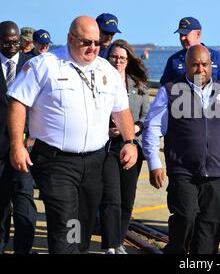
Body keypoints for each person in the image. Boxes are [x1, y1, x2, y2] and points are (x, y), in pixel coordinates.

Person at [7, 16, 138, 254]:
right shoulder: (45, 65)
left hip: (95, 162)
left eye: (97, 43)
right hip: (56, 162)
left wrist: (130, 141)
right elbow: (18, 103)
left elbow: (121, 109)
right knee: (64, 223)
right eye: (87, 42)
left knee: (83, 226)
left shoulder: (106, 70)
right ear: (70, 38)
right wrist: (17, 144)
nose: (94, 48)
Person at [142, 44, 220, 254]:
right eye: (195, 65)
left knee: (210, 225)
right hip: (183, 171)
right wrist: (154, 164)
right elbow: (152, 129)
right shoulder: (170, 91)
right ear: (186, 66)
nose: (200, 69)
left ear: (212, 66)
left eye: (205, 64)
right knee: (186, 217)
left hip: (215, 172)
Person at [100, 39, 150, 254]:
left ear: (128, 60)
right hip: (106, 145)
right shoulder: (98, 80)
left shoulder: (138, 85)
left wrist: (131, 130)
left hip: (132, 145)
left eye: (122, 57)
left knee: (127, 197)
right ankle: (110, 244)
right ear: (108, 58)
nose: (118, 60)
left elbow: (146, 117)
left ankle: (119, 241)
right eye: (114, 57)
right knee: (111, 196)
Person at [0, 21, 36, 254]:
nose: (12, 46)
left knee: (24, 203)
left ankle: (24, 249)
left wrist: (31, 138)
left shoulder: (31, 66)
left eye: (16, 42)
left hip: (25, 148)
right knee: (1, 206)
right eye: (6, 42)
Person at [159, 17, 220, 85]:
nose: (183, 38)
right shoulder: (174, 60)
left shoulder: (215, 57)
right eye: (181, 35)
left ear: (198, 34)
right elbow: (164, 88)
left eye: (186, 34)